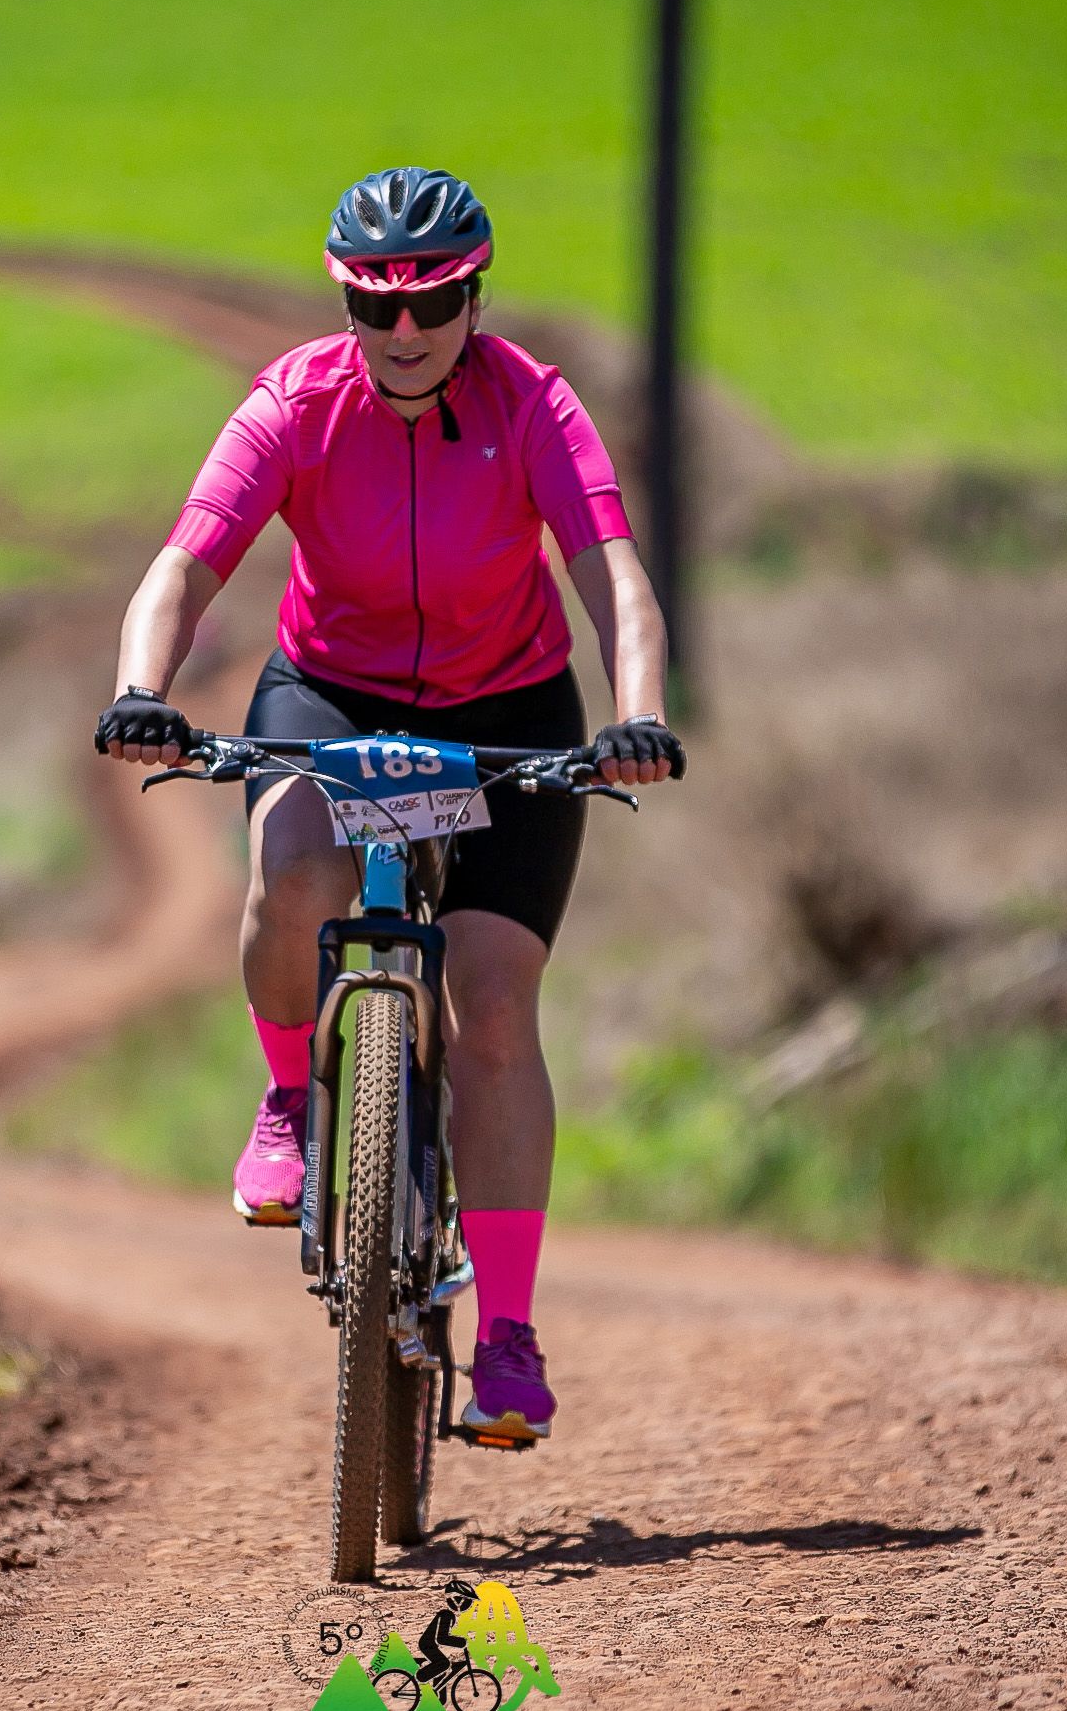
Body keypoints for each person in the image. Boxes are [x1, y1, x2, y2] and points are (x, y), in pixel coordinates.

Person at [95, 166, 683, 1446]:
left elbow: (614, 577)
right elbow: (185, 565)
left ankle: (509, 1336)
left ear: (477, 296)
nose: (405, 331)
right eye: (375, 306)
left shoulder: (536, 404)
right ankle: (290, 1103)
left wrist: (637, 714)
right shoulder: (294, 402)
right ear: (345, 304)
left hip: (508, 706)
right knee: (294, 875)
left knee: (494, 1002)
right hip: (335, 693)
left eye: (434, 302)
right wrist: (143, 688)